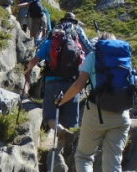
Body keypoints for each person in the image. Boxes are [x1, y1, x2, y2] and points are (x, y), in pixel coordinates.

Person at [56, 33, 137, 172]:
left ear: (100, 43)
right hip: (122, 116)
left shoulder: (94, 56)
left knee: (83, 155)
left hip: (97, 113)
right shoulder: (124, 58)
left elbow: (80, 84)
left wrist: (62, 100)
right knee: (113, 160)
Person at [22, 14, 88, 144]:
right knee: (72, 121)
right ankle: (63, 149)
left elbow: (35, 60)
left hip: (52, 81)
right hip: (72, 83)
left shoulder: (51, 42)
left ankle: (58, 129)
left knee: (50, 115)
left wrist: (27, 70)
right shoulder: (78, 43)